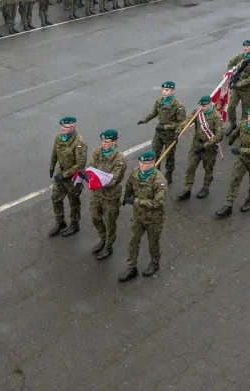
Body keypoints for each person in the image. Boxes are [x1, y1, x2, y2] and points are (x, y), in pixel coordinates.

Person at [119, 150, 167, 282]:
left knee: (153, 243)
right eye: (140, 161)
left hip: (153, 219)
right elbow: (129, 185)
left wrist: (136, 201)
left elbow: (159, 202)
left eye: (144, 163)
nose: (141, 164)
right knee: (133, 240)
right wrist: (126, 197)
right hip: (138, 216)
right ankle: (131, 267)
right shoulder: (136, 172)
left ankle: (155, 263)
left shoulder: (159, 180)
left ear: (152, 163)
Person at [217, 107, 250, 217]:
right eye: (248, 116)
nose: (249, 119)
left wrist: (242, 150)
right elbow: (236, 132)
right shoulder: (243, 124)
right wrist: (231, 140)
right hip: (242, 159)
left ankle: (249, 201)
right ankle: (228, 205)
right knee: (235, 179)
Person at [87, 129, 127, 261]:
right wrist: (88, 176)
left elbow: (113, 180)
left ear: (115, 142)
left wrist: (95, 179)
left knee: (110, 222)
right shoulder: (98, 151)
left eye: (107, 142)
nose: (104, 144)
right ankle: (103, 239)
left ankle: (108, 247)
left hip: (110, 196)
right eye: (102, 141)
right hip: (97, 193)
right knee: (95, 217)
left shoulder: (119, 159)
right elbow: (91, 167)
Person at [137, 80, 188, 185]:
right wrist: (145, 119)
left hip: (170, 135)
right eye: (163, 89)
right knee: (155, 154)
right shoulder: (159, 101)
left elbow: (182, 123)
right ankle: (156, 174)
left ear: (172, 91)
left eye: (167, 90)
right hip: (159, 133)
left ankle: (169, 173)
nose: (164, 92)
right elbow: (154, 112)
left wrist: (168, 128)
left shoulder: (178, 105)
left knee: (169, 155)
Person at [176, 95, 225, 201]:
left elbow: (219, 136)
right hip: (196, 144)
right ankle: (187, 189)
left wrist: (204, 146)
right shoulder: (197, 112)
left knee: (208, 169)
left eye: (204, 106)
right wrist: (178, 131)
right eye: (201, 105)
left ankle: (206, 187)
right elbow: (187, 121)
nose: (202, 108)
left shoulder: (217, 116)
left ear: (210, 104)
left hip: (209, 148)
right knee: (190, 167)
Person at [48, 116, 88, 237]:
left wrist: (64, 175)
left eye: (66, 127)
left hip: (73, 178)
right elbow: (54, 152)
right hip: (60, 173)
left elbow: (80, 164)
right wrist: (51, 166)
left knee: (73, 203)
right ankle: (60, 223)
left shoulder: (79, 142)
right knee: (56, 198)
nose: (62, 128)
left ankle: (74, 225)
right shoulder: (59, 137)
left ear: (73, 127)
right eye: (62, 126)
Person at [225, 39, 250, 132]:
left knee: (246, 111)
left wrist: (240, 84)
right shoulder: (240, 57)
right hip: (236, 88)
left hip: (246, 89)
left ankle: (242, 128)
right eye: (244, 46)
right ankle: (233, 124)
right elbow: (230, 63)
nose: (245, 48)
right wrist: (232, 73)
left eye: (248, 46)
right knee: (231, 107)